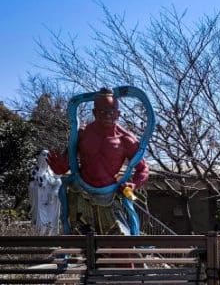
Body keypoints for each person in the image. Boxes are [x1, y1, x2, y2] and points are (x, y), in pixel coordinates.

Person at [48, 88, 149, 234]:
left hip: (109, 194)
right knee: (80, 239)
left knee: (118, 240)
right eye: (102, 111)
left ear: (118, 114)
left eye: (111, 111)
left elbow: (143, 169)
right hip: (80, 191)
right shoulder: (82, 133)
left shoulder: (127, 140)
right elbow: (67, 159)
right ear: (94, 112)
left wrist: (134, 184)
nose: (107, 115)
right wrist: (61, 168)